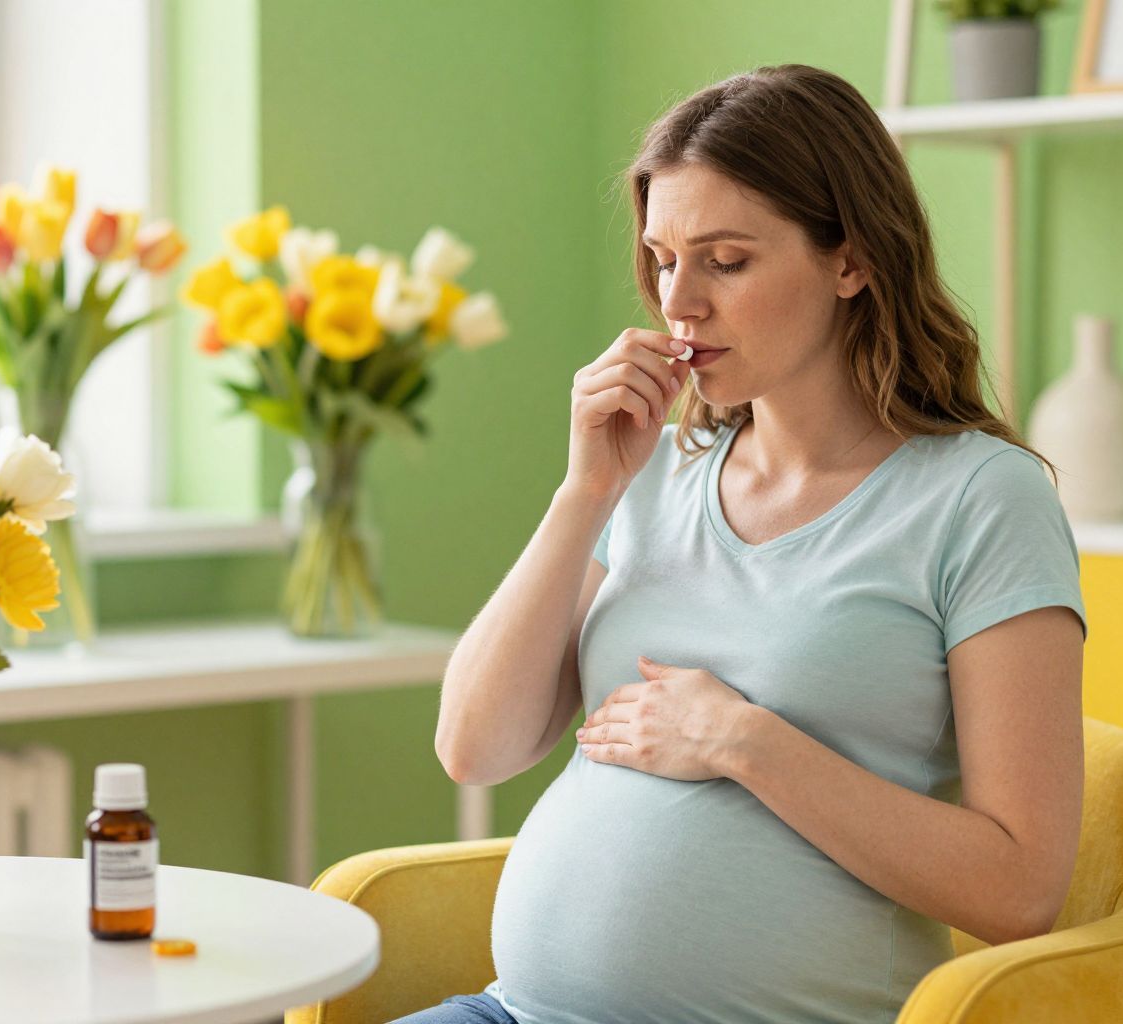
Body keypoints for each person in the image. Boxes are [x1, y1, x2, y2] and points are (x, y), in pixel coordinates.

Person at [412, 63, 1087, 1024]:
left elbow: (1021, 891)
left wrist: (743, 741)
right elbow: (474, 748)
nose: (679, 303)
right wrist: (584, 493)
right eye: (663, 260)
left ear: (852, 261)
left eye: (725, 261)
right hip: (515, 1012)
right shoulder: (652, 471)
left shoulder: (982, 499)